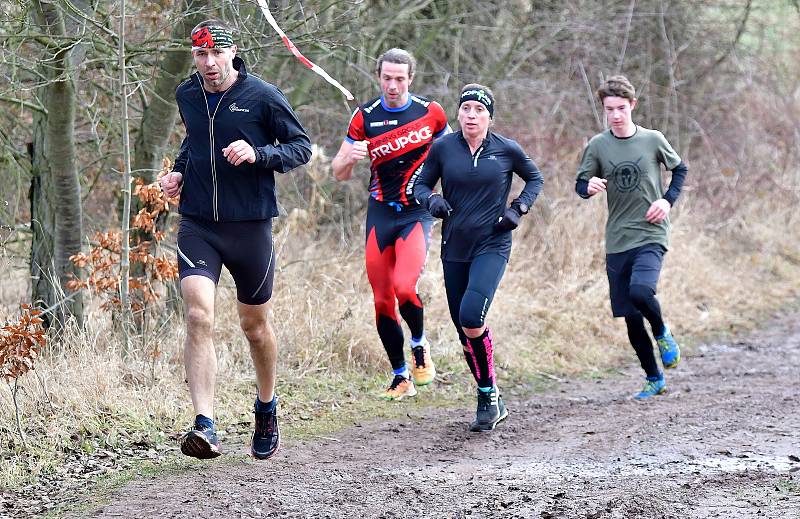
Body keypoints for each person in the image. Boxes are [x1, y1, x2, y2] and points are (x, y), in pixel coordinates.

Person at [160, 20, 312, 460]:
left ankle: (266, 406)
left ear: (232, 52)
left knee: (255, 326)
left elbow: (300, 146)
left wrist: (259, 154)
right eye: (200, 55)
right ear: (193, 56)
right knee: (197, 314)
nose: (208, 64)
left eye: (216, 54)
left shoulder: (261, 96)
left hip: (250, 225)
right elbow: (194, 143)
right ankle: (205, 424)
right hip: (199, 223)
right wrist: (178, 171)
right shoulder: (188, 94)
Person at [413, 84, 543, 431]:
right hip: (454, 246)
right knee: (464, 329)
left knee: (472, 317)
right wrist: (432, 201)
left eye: (479, 110)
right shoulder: (443, 148)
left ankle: (486, 395)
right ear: (459, 113)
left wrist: (518, 209)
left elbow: (535, 179)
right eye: (466, 109)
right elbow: (419, 186)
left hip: (492, 244)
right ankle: (491, 394)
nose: (472, 115)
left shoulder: (506, 150)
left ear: (490, 117)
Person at [331, 49, 450, 400]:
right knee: (382, 300)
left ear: (411, 79)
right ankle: (400, 376)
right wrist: (348, 160)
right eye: (387, 78)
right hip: (380, 212)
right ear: (378, 77)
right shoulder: (364, 116)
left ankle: (419, 344)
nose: (393, 85)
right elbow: (338, 172)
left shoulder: (431, 113)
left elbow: (453, 158)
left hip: (416, 211)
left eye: (400, 79)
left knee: (403, 286)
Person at [575, 75, 688, 399]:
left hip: (651, 232)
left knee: (641, 291)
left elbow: (680, 169)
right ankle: (654, 378)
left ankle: (663, 332)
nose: (615, 115)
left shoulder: (652, 139)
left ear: (632, 106)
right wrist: (589, 187)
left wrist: (667, 200)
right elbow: (580, 184)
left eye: (621, 108)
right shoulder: (598, 145)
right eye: (609, 109)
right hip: (617, 239)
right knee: (630, 316)